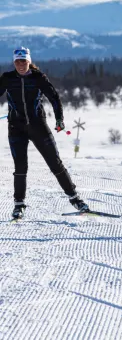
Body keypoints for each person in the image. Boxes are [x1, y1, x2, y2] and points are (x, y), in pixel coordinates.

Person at [0, 47, 89, 219]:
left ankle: (76, 199)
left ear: (29, 61)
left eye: (24, 61)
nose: (20, 65)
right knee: (20, 167)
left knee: (55, 163)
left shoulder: (38, 78)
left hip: (38, 127)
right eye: (17, 61)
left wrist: (59, 120)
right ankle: (19, 205)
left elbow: (54, 97)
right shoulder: (7, 78)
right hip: (16, 128)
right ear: (14, 62)